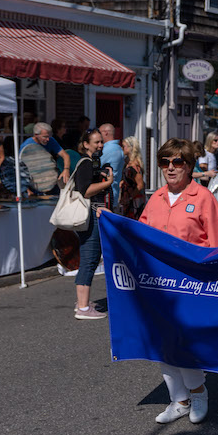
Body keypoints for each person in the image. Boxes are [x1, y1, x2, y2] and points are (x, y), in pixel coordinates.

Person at [139, 138, 218, 425]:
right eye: (164, 162)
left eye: (177, 162)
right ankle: (178, 400)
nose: (170, 167)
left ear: (189, 166)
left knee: (185, 343)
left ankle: (198, 392)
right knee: (163, 344)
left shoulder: (203, 197)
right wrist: (109, 221)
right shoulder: (155, 198)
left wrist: (216, 286)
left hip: (192, 286)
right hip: (158, 286)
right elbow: (137, 235)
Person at [71, 129, 113, 320]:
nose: (100, 145)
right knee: (89, 258)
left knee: (92, 258)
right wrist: (108, 182)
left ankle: (83, 302)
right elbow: (85, 191)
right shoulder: (86, 163)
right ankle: (83, 307)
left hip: (93, 215)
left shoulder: (92, 162)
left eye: (101, 142)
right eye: (96, 142)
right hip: (90, 217)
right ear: (86, 144)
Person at [119, 136, 146, 219]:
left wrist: (130, 198)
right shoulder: (127, 162)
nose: (122, 148)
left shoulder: (135, 165)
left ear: (131, 147)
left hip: (134, 202)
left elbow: (140, 185)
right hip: (127, 200)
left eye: (124, 146)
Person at [98, 123, 125, 207]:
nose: (98, 136)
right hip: (113, 193)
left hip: (107, 196)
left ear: (106, 133)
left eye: (99, 132)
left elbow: (95, 165)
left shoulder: (109, 149)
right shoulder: (118, 148)